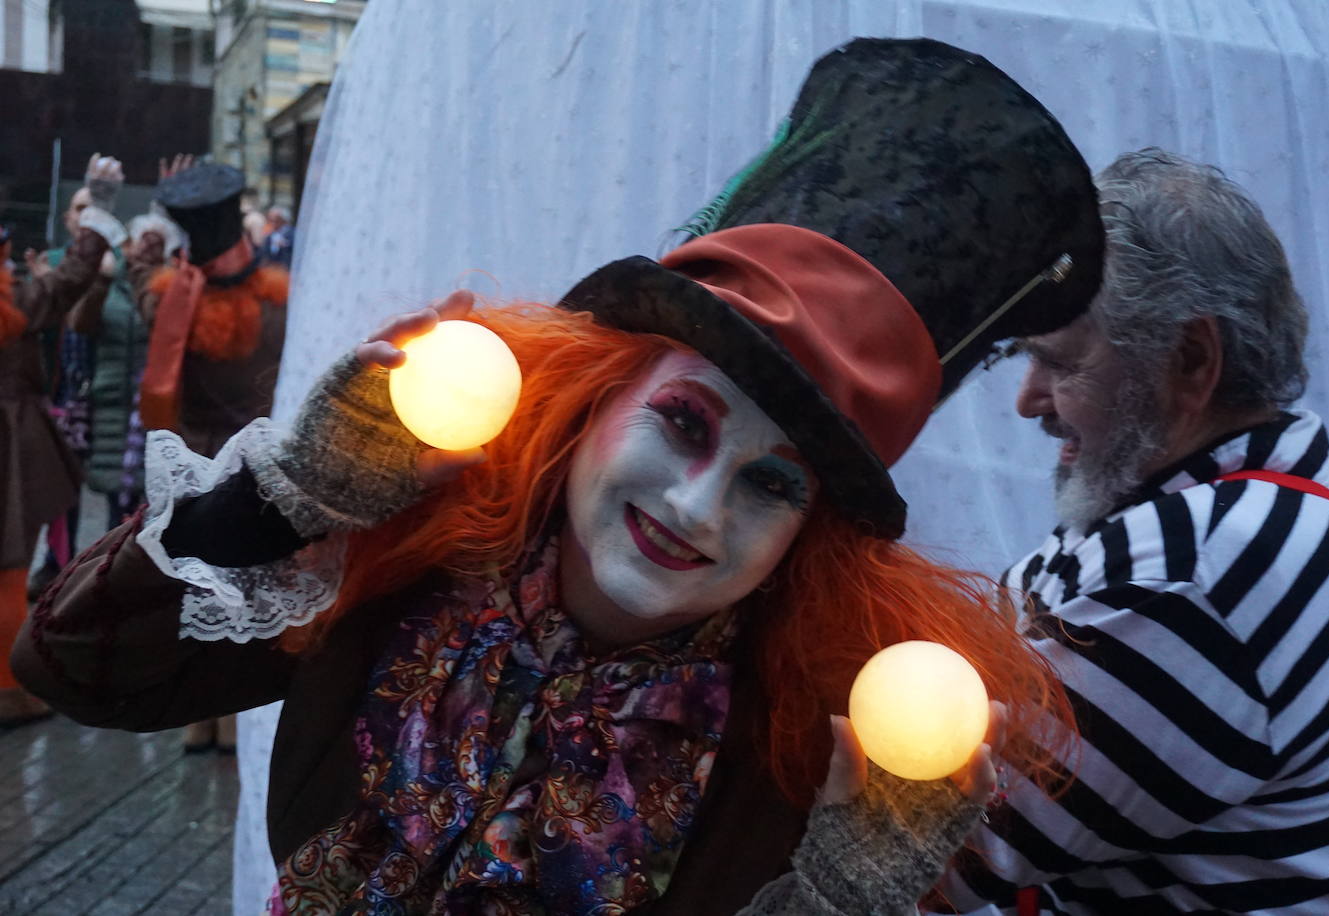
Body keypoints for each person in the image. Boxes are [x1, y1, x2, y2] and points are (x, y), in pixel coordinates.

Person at [15, 40, 1103, 912]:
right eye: (681, 420)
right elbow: (72, 666)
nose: (693, 503)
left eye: (774, 486)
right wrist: (286, 495)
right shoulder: (405, 557)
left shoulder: (796, 743)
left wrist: (836, 901)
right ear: (598, 399)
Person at [936, 149, 1329, 913]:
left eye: (1062, 363)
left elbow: (931, 852)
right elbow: (985, 634)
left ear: (1192, 360)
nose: (1028, 401)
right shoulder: (1240, 501)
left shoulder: (1198, 574)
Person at [132, 160, 290, 752]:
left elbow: (139, 276)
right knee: (241, 594)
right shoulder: (277, 312)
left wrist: (154, 235)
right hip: (251, 465)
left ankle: (197, 718)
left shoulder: (170, 305)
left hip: (185, 464)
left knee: (190, 588)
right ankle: (231, 722)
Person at [0, 154, 127, 725]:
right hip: (8, 442)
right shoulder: (12, 306)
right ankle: (5, 689)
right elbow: (66, 282)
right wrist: (99, 208)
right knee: (6, 566)